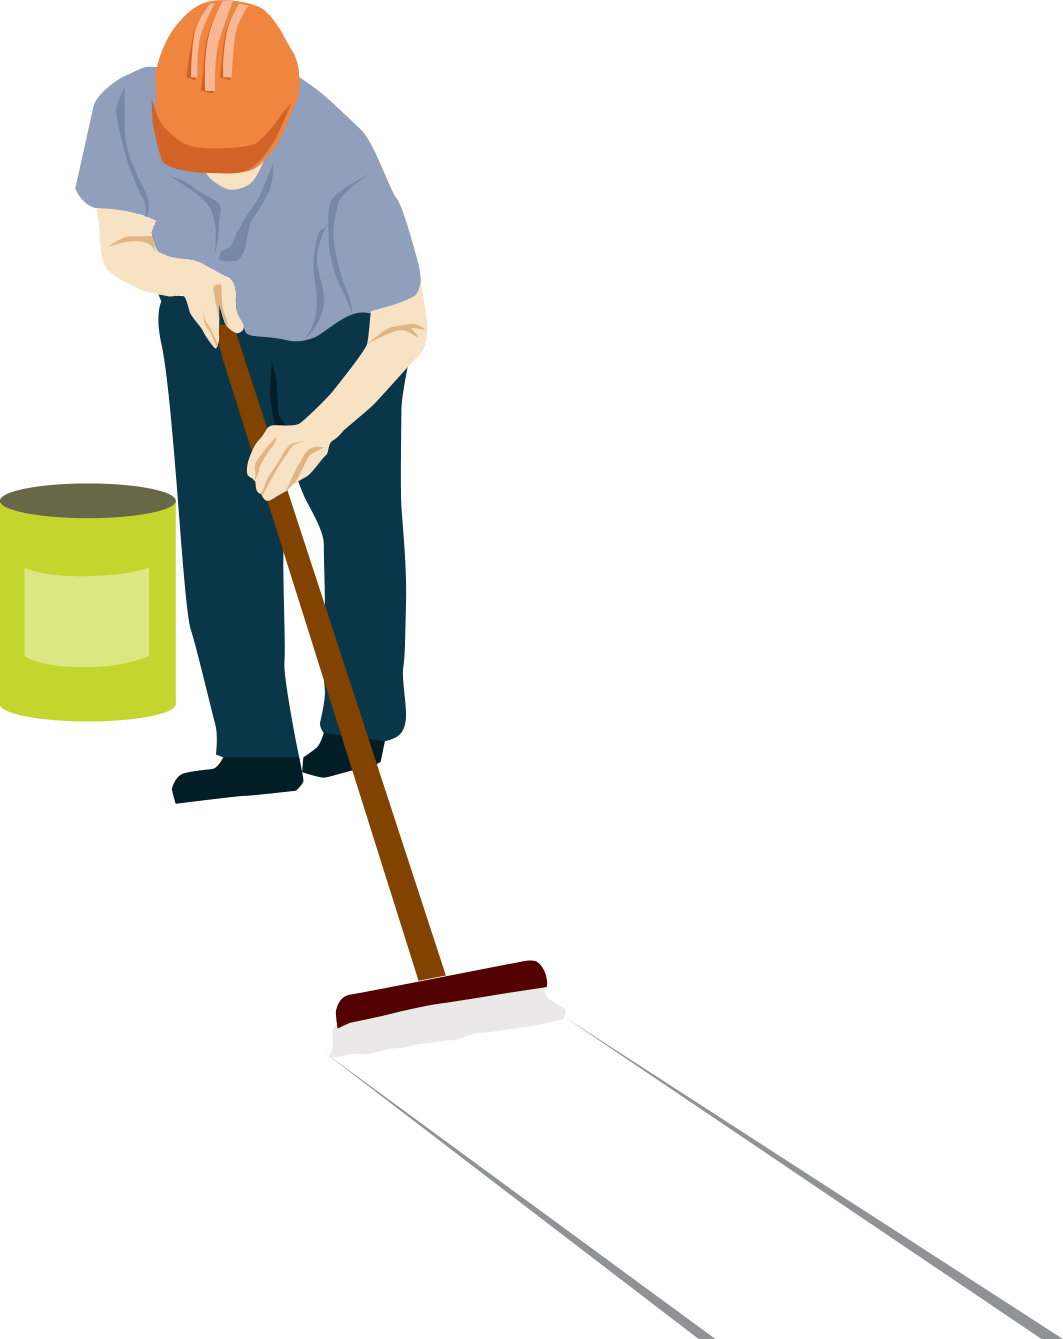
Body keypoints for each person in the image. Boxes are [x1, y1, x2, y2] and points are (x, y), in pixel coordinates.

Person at [74, 2, 426, 803]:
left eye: (233, 158)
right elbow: (120, 243)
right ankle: (254, 749)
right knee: (222, 529)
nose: (211, 176)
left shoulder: (340, 160)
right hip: (205, 326)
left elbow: (405, 324)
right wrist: (181, 274)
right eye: (191, 155)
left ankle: (358, 726)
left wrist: (315, 430)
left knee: (357, 528)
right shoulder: (124, 109)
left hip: (338, 343)